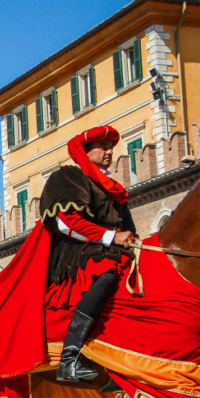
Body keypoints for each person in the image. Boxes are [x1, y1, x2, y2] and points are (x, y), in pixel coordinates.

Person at [39, 126, 138, 384]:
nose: (109, 151)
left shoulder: (114, 188)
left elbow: (128, 229)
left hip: (113, 250)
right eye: (102, 146)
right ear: (85, 151)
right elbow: (66, 221)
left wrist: (133, 243)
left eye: (110, 147)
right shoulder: (69, 176)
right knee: (105, 276)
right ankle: (69, 359)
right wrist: (110, 237)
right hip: (77, 252)